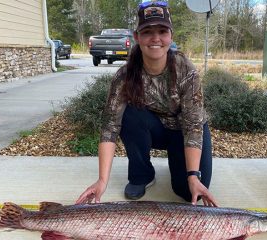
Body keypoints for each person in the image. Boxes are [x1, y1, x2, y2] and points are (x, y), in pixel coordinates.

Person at [76, 1, 218, 207]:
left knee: (188, 192)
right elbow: (109, 128)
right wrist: (102, 181)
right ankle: (142, 175)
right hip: (155, 129)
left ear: (171, 35)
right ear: (137, 37)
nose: (155, 38)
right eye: (147, 32)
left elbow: (193, 126)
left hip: (185, 132)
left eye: (162, 31)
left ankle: (181, 164)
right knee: (129, 115)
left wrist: (193, 176)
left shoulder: (186, 70)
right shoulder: (124, 75)